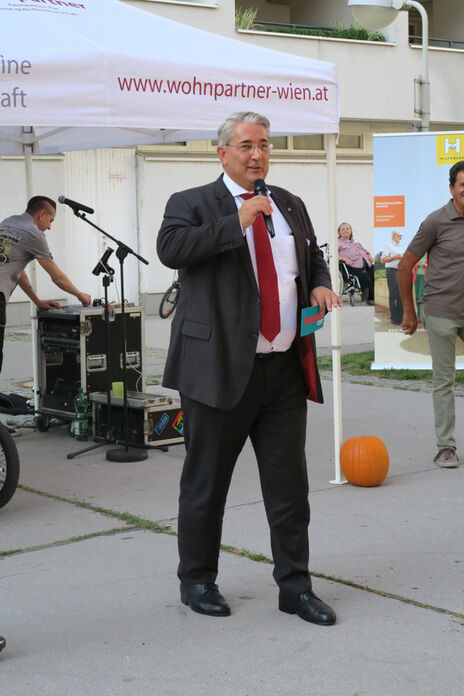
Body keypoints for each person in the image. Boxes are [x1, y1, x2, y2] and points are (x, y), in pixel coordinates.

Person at [157, 111, 342, 626]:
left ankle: (295, 587)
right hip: (218, 369)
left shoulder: (288, 203)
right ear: (223, 153)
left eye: (263, 144)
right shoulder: (191, 203)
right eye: (245, 145)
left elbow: (311, 255)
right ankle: (196, 580)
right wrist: (234, 222)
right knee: (206, 484)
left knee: (289, 487)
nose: (256, 154)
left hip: (282, 370)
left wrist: (322, 282)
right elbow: (171, 250)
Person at [399, 160, 464, 469]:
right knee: (444, 381)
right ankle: (446, 447)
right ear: (452, 189)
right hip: (441, 310)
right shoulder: (436, 222)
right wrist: (410, 312)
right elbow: (405, 265)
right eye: (463, 185)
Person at [0, 196, 91, 371]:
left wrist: (37, 301)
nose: (49, 226)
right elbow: (57, 277)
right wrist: (80, 295)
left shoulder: (8, 223)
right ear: (42, 214)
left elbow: (17, 270)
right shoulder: (34, 233)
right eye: (51, 220)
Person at [338, 222, 375, 304]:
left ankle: (378, 297)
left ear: (351, 231)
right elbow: (332, 255)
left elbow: (364, 251)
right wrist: (343, 258)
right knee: (366, 277)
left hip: (366, 265)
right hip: (351, 267)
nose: (345, 231)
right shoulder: (338, 242)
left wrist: (369, 255)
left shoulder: (356, 243)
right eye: (343, 229)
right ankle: (370, 298)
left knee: (375, 273)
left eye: (347, 228)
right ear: (339, 232)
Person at [381, 230, 405, 325]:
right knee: (393, 294)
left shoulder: (401, 247)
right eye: (400, 236)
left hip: (400, 271)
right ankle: (394, 318)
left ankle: (400, 318)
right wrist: (396, 257)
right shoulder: (388, 245)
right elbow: (382, 260)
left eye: (401, 236)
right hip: (391, 271)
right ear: (394, 236)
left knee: (401, 295)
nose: (401, 238)